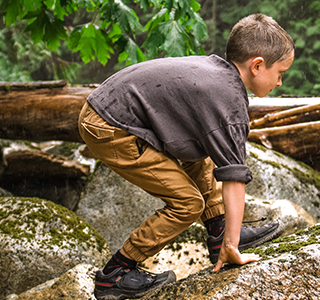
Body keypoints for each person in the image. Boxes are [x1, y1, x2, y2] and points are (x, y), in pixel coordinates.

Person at [79, 14, 294, 300]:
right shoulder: (228, 102)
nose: (280, 82)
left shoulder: (217, 72)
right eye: (280, 73)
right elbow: (234, 176)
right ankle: (116, 273)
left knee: (199, 150)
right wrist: (233, 246)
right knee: (187, 203)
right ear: (257, 65)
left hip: (109, 108)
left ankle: (219, 230)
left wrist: (229, 234)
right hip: (109, 124)